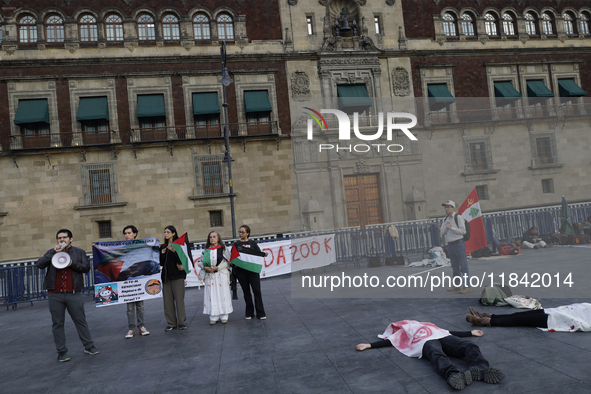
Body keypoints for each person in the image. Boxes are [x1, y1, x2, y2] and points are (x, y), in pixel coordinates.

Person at [355, 320, 504, 390]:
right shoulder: (404, 331)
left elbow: (447, 331)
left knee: (468, 345)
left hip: (442, 337)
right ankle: (452, 374)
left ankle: (481, 368)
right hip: (425, 342)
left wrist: (469, 333)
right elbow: (392, 341)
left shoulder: (427, 324)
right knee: (436, 353)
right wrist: (369, 345)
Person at [35, 229, 100, 362]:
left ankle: (89, 346)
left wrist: (72, 264)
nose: (62, 240)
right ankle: (62, 352)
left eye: (65, 237)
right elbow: (39, 264)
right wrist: (53, 252)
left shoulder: (79, 252)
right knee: (57, 323)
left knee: (80, 321)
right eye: (59, 238)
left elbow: (86, 268)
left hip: (73, 293)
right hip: (55, 294)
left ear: (71, 239)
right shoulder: (52, 252)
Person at [466, 304, 591, 332]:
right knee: (517, 315)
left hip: (557, 319)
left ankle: (482, 321)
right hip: (557, 311)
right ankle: (487, 316)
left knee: (517, 320)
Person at [233, 225, 267, 320]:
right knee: (246, 292)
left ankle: (260, 312)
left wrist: (264, 254)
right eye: (239, 232)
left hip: (253, 271)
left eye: (242, 232)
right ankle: (249, 312)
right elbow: (233, 256)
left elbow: (258, 254)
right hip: (241, 272)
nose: (240, 234)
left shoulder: (253, 243)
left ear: (248, 233)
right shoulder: (236, 244)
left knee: (256, 291)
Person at [122, 225, 150, 339]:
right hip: (127, 282)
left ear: (135, 234)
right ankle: (131, 328)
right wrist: (98, 247)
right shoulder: (121, 246)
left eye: (128, 233)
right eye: (125, 233)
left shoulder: (141, 245)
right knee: (129, 307)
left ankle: (142, 326)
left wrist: (156, 242)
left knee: (140, 306)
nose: (126, 235)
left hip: (138, 281)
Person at [200, 231, 233, 324]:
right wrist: (204, 267)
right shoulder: (206, 250)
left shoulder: (223, 249)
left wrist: (218, 267)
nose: (212, 238)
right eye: (210, 237)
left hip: (221, 274)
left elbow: (229, 262)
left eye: (214, 236)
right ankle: (214, 315)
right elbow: (200, 261)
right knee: (212, 294)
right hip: (210, 276)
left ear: (218, 238)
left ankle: (224, 315)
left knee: (223, 293)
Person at [160, 225, 187, 331]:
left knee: (179, 300)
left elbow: (181, 261)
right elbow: (162, 263)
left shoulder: (179, 245)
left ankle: (182, 322)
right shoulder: (163, 246)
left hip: (177, 276)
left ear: (173, 233)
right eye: (165, 232)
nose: (166, 234)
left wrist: (173, 251)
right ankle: (171, 323)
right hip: (166, 277)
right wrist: (162, 254)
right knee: (167, 302)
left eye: (168, 232)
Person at [440, 200, 470, 294]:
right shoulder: (445, 219)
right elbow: (442, 232)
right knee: (455, 266)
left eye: (448, 207)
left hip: (459, 243)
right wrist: (446, 227)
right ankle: (457, 285)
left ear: (453, 208)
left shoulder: (458, 218)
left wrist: (451, 228)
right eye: (446, 207)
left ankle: (467, 286)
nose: (446, 209)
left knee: (463, 266)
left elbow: (463, 231)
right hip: (450, 244)